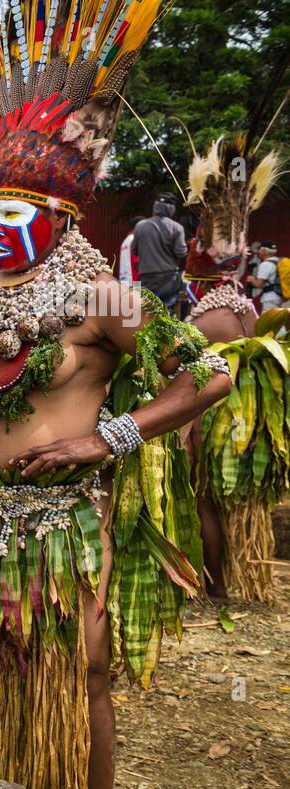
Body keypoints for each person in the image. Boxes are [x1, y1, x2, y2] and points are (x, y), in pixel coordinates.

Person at [0, 0, 230, 789]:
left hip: (56, 527)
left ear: (61, 218)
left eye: (16, 209)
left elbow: (210, 372)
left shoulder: (104, 301)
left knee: (82, 673)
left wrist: (114, 434)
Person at [182, 135, 288, 602]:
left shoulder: (208, 317)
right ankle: (236, 579)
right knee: (228, 506)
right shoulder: (242, 307)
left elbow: (190, 380)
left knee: (204, 499)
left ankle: (217, 585)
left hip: (217, 421)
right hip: (243, 425)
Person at [133, 194, 187, 309]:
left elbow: (135, 251)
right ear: (171, 208)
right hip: (169, 277)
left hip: (146, 277)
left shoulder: (139, 226)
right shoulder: (177, 227)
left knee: (146, 311)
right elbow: (181, 253)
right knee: (167, 313)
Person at [250, 243, 283, 310]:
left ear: (264, 251)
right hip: (278, 297)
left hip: (269, 298)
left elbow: (258, 284)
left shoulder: (266, 264)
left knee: (268, 319)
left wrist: (252, 279)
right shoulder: (278, 262)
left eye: (260, 250)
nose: (258, 252)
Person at [118, 217, 144, 286]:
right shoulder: (134, 240)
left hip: (124, 281)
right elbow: (137, 262)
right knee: (136, 297)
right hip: (135, 282)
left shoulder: (125, 241)